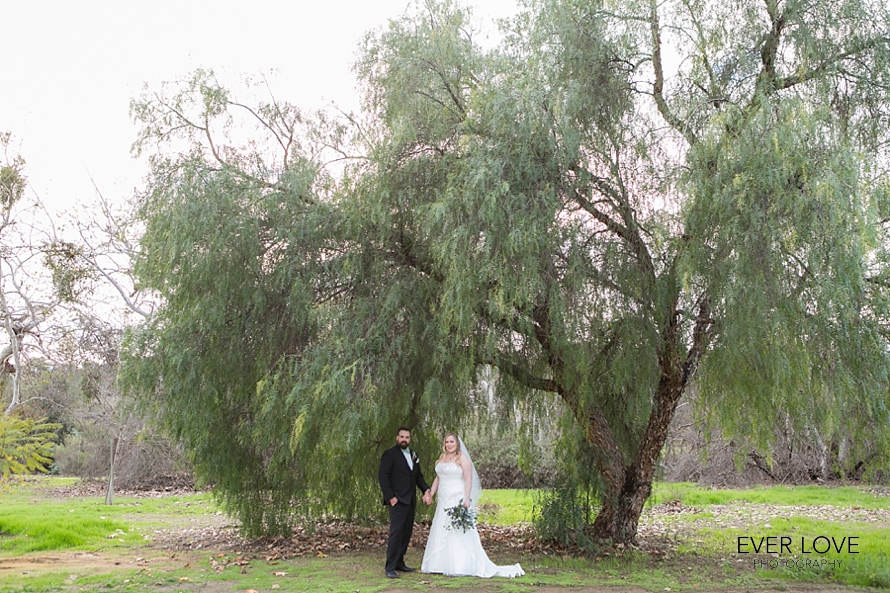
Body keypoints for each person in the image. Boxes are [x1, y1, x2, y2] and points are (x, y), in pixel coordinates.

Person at [420, 432, 524, 578]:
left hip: (457, 497)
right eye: (446, 442)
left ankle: (461, 564)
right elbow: (438, 478)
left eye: (451, 442)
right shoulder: (442, 458)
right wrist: (431, 493)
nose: (449, 444)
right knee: (442, 527)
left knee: (457, 530)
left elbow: (468, 479)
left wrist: (466, 498)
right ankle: (439, 564)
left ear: (457, 443)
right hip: (443, 499)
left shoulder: (462, 458)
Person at [378, 426, 432, 579]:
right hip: (397, 500)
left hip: (410, 501)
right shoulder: (390, 454)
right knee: (396, 533)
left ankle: (399, 562)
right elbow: (383, 476)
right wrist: (390, 497)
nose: (404, 439)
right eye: (402, 437)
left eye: (407, 437)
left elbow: (418, 477)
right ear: (397, 438)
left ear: (410, 439)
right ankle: (390, 567)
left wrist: (426, 490)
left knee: (406, 533)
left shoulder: (414, 455)